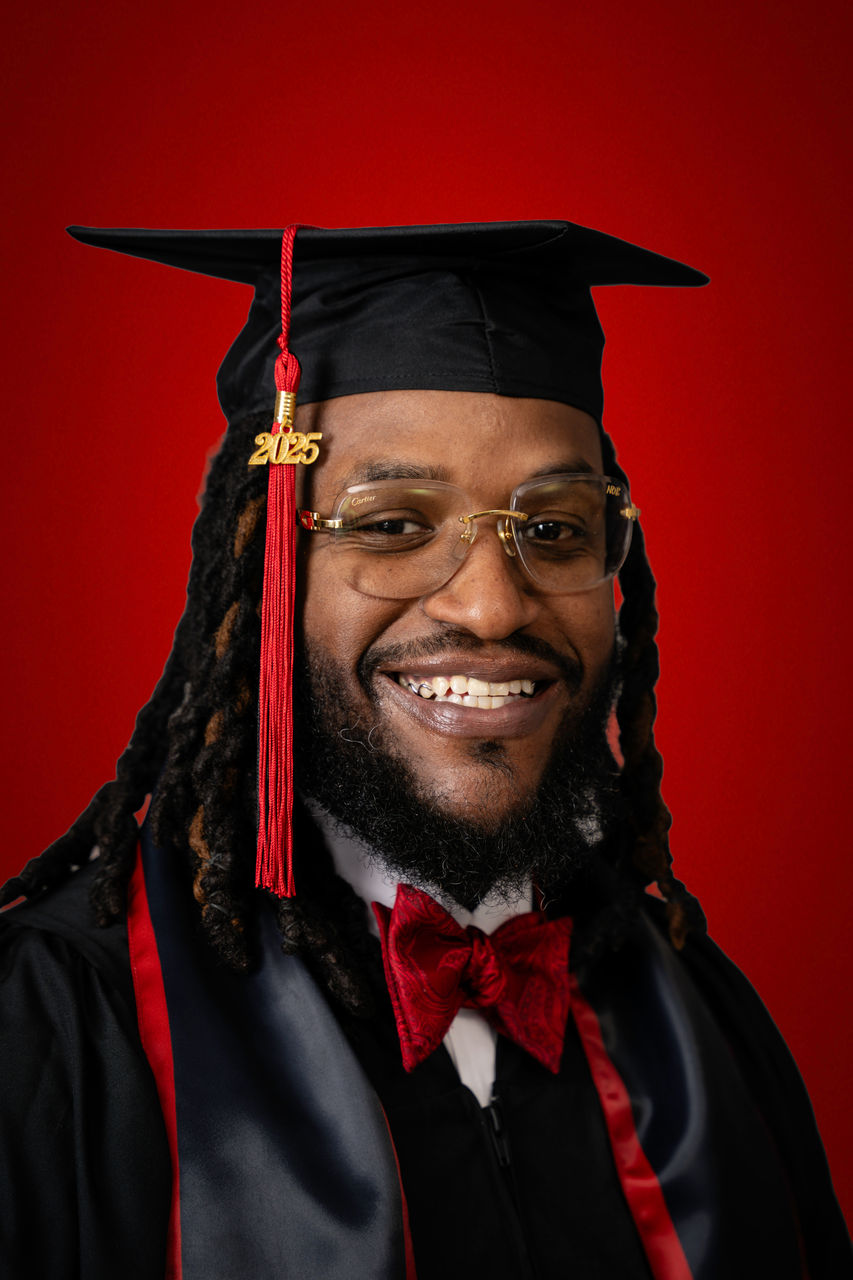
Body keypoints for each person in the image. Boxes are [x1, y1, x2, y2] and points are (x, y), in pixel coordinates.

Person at [1, 220, 849, 1280]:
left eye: (554, 529)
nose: (493, 604)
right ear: (258, 569)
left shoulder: (691, 1007)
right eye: (392, 524)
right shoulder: (68, 1017)